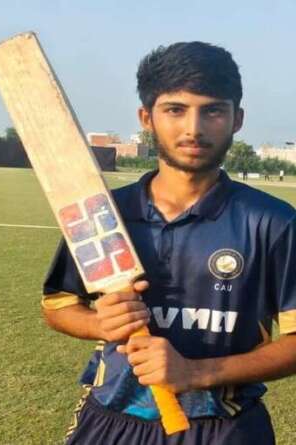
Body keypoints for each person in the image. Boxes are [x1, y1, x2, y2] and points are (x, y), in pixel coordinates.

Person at [42, 41, 296, 444]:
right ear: (147, 117)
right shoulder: (103, 213)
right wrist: (98, 323)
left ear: (237, 119)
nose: (193, 128)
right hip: (112, 419)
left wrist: (195, 373)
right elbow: (58, 306)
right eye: (175, 110)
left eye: (213, 110)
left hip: (223, 426)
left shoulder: (274, 222)